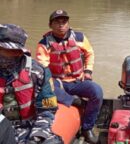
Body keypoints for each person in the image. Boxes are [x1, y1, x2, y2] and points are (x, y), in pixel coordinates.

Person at [36, 9, 103, 144]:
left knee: (97, 91)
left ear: (68, 24)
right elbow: (42, 68)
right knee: (44, 90)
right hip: (57, 82)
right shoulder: (44, 44)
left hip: (78, 81)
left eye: (64, 22)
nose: (61, 25)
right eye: (57, 22)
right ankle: (75, 102)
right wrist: (49, 83)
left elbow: (90, 53)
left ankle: (87, 128)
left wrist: (88, 71)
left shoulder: (79, 37)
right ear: (50, 25)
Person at [0, 24, 62, 143]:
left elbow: (48, 109)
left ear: (19, 52)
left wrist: (37, 136)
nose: (4, 54)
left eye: (8, 51)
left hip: (29, 129)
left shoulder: (38, 72)